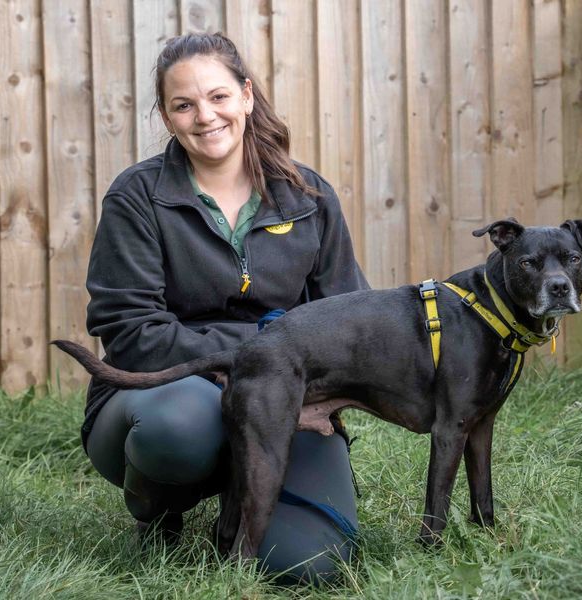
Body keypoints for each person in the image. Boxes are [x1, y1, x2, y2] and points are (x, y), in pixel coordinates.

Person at [81, 32, 368, 583]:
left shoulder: (309, 198)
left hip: (286, 401)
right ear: (166, 117)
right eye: (183, 104)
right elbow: (131, 334)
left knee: (311, 567)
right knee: (177, 431)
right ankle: (158, 507)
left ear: (246, 97)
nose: (204, 116)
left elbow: (348, 318)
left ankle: (243, 512)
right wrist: (264, 358)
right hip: (163, 390)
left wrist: (314, 392)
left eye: (217, 97)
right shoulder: (137, 197)